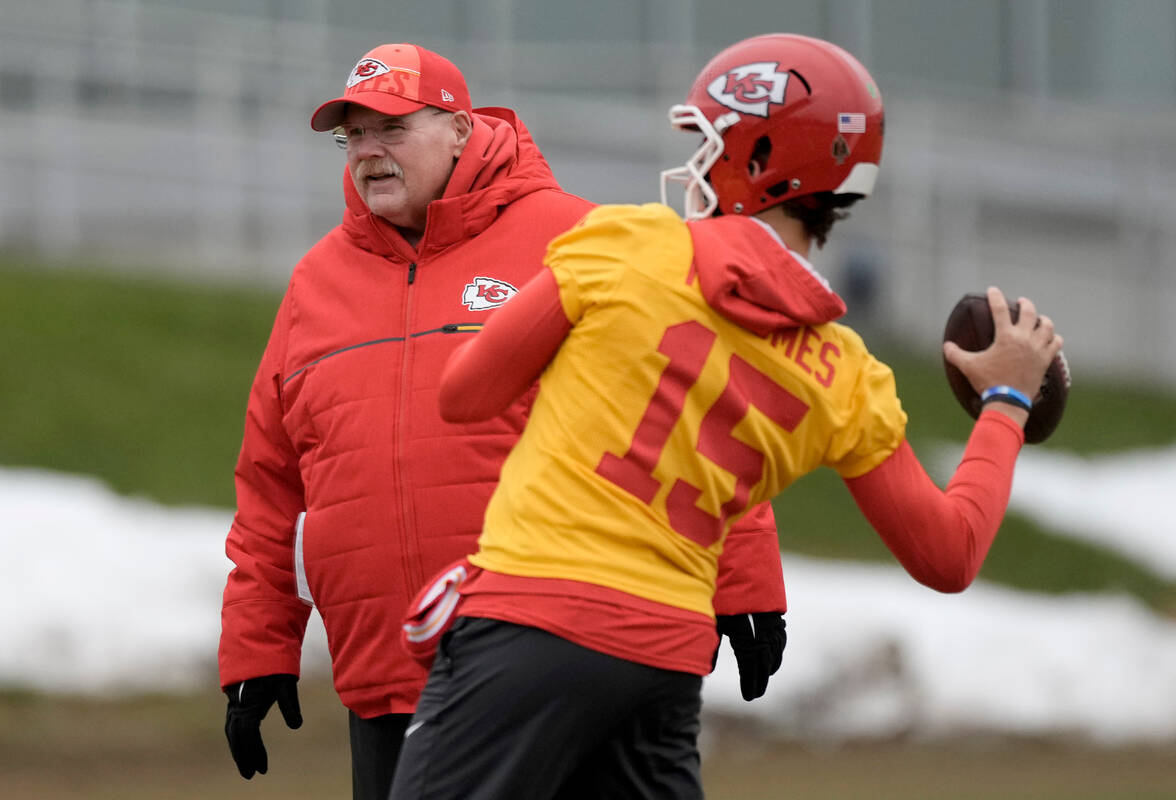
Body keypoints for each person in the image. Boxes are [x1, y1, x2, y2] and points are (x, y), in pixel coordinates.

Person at [389, 33, 1064, 800]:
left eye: (709, 143)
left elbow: (464, 392)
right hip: (666, 658)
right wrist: (1006, 401)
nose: (697, 166)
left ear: (759, 153)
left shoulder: (629, 244)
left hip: (533, 621)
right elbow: (949, 554)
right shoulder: (845, 373)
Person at [217, 42, 790, 800]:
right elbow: (270, 482)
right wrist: (260, 643)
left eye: (392, 128)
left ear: (460, 127)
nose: (368, 151)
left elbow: (695, 404)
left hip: (558, 659)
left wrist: (743, 579)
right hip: (385, 676)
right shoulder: (315, 283)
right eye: (352, 135)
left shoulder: (577, 240)